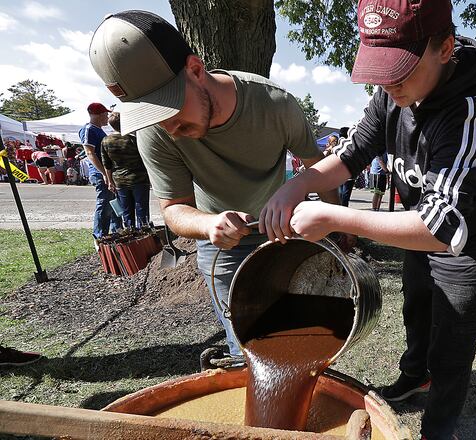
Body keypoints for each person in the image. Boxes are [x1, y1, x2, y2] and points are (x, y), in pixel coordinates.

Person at [259, 1, 476, 438]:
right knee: (417, 304)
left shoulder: (473, 110)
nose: (387, 82)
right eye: (380, 68)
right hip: (416, 225)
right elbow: (352, 152)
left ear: (445, 48)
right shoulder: (390, 94)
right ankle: (415, 374)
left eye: (401, 69)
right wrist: (295, 186)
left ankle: (439, 425)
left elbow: (441, 227)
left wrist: (336, 216)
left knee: (453, 335)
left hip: (467, 241)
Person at [88, 10, 337, 365]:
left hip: (287, 235)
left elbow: (320, 169)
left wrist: (340, 233)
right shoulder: (155, 131)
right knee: (251, 355)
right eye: (152, 116)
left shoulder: (274, 103)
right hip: (223, 248)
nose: (170, 128)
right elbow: (173, 207)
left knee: (305, 341)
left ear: (195, 69)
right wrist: (209, 224)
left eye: (169, 108)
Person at [101, 112, 151, 229]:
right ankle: (144, 236)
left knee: (126, 212)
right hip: (139, 179)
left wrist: (109, 181)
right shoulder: (134, 139)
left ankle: (130, 234)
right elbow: (146, 158)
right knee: (142, 210)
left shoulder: (106, 141)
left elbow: (106, 164)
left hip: (119, 181)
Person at [79, 102, 122, 239]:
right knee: (104, 203)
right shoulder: (89, 129)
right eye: (105, 114)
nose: (107, 117)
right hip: (100, 173)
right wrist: (104, 173)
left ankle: (116, 231)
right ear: (98, 114)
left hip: (107, 172)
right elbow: (90, 153)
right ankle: (100, 235)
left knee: (113, 202)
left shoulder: (99, 130)